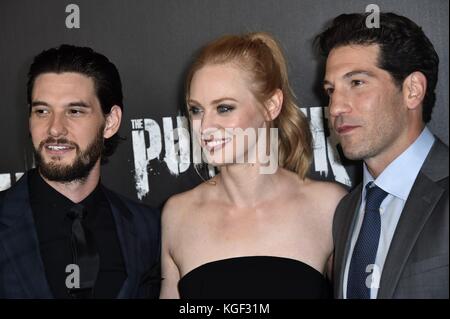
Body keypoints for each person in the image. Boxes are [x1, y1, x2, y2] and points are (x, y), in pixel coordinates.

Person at [160, 32, 346, 299]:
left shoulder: (327, 207)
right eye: (196, 110)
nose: (206, 127)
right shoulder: (178, 214)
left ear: (271, 105)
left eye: (224, 108)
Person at [0, 45, 160, 299]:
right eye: (42, 111)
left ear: (110, 122)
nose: (54, 129)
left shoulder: (147, 229)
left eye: (74, 111)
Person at [315, 12, 448, 299]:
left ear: (412, 90)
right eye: (330, 90)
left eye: (357, 83)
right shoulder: (346, 210)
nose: (335, 107)